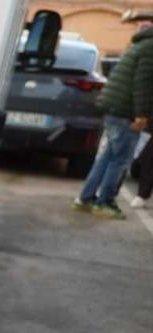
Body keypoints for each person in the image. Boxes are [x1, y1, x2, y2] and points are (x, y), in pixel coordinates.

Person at [73, 22, 153, 219]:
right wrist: (142, 114)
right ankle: (105, 202)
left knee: (108, 157)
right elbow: (143, 84)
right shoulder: (150, 49)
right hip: (125, 111)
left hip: (114, 108)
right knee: (120, 160)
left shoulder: (141, 44)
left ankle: (85, 198)